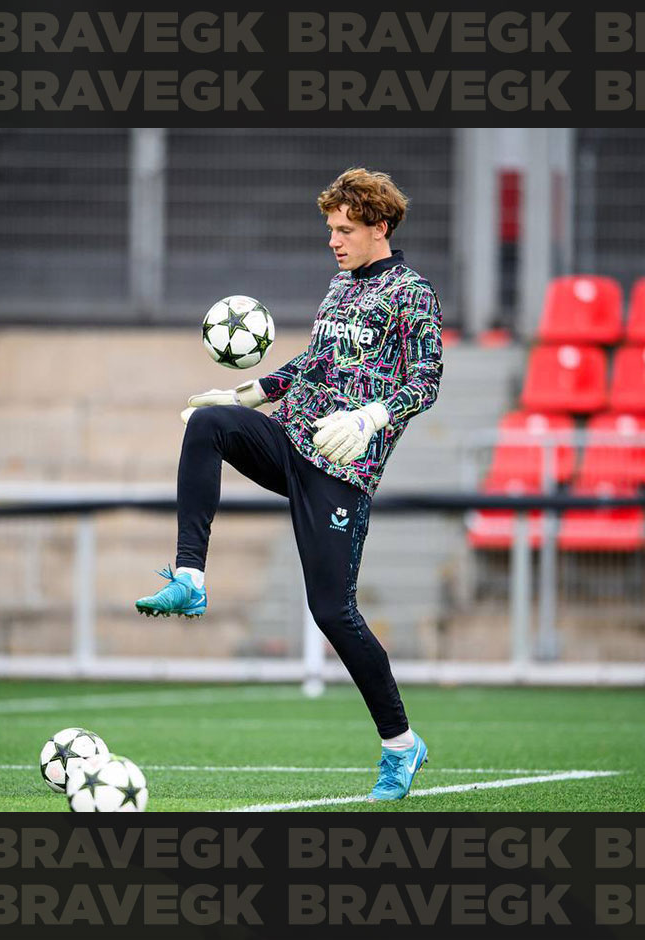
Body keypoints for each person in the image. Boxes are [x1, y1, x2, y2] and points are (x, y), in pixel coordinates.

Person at [135, 167, 443, 801]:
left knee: (332, 612)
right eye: (330, 228)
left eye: (345, 229)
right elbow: (315, 365)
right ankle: (190, 577)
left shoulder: (413, 293)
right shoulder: (339, 285)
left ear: (379, 227)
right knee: (209, 425)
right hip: (293, 438)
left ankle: (401, 745)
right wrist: (253, 390)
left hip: (344, 466)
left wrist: (371, 416)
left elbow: (428, 380)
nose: (334, 240)